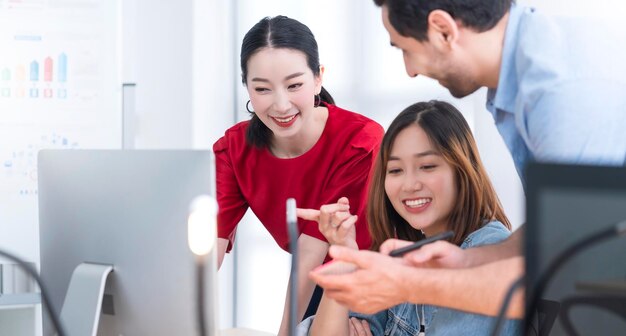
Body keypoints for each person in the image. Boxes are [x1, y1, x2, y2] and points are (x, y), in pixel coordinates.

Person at [309, 0, 626, 319]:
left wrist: (410, 284)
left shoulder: (559, 92)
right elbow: (559, 229)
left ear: (443, 30)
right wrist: (468, 261)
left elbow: (574, 270)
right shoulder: (529, 70)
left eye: (406, 49)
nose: (411, 70)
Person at [212, 15, 384, 335]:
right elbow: (209, 249)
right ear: (246, 86)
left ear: (318, 78)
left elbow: (311, 255)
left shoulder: (359, 143)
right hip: (322, 286)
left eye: (294, 86)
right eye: (262, 89)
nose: (280, 105)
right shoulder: (233, 149)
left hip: (377, 283)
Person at [298, 101, 522, 335]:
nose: (410, 185)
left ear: (462, 170)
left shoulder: (490, 253)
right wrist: (344, 253)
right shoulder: (403, 251)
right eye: (395, 170)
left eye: (427, 166)